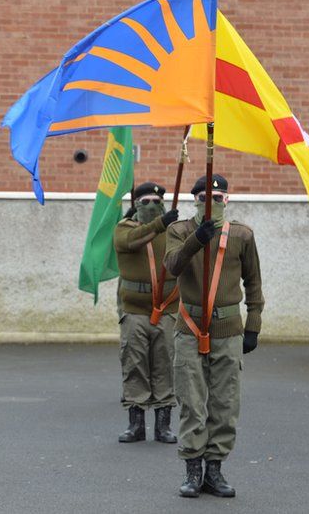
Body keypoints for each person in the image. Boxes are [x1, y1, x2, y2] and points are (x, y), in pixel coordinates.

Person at [164, 174, 264, 498]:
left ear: (227, 200)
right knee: (191, 401)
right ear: (194, 200)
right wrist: (197, 239)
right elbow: (172, 266)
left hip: (228, 329)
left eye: (218, 198)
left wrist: (253, 326)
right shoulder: (178, 230)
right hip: (190, 327)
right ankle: (193, 471)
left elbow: (254, 284)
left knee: (225, 402)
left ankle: (215, 470)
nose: (212, 203)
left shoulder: (241, 235)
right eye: (205, 198)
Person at [113, 181, 180, 444]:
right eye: (146, 202)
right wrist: (160, 224)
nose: (152, 206)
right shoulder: (124, 229)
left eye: (156, 202)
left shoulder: (172, 231)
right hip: (135, 311)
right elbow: (132, 242)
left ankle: (163, 425)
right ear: (135, 205)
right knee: (135, 364)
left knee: (165, 364)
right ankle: (136, 423)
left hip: (166, 310)